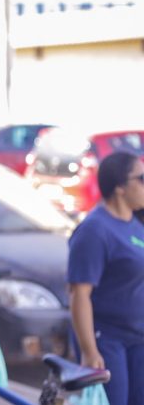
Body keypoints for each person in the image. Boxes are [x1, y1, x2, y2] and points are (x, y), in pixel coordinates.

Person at [68, 151, 144, 405]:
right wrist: (89, 351)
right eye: (141, 178)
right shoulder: (95, 230)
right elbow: (79, 294)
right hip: (106, 338)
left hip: (137, 336)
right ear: (120, 187)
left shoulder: (135, 223)